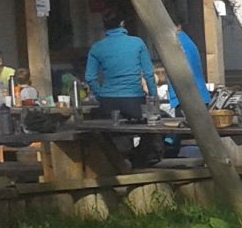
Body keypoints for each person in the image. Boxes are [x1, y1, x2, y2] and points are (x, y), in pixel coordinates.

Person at [84, 10, 161, 165]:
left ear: (104, 26)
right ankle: (139, 158)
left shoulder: (97, 47)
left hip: (107, 101)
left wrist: (100, 94)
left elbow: (90, 77)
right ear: (122, 24)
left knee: (108, 132)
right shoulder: (137, 43)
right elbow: (148, 73)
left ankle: (115, 160)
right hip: (134, 99)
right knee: (151, 128)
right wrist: (153, 97)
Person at [163, 22, 210, 114]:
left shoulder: (177, 44)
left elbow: (183, 70)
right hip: (196, 94)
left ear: (178, 26)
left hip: (186, 97)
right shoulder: (186, 41)